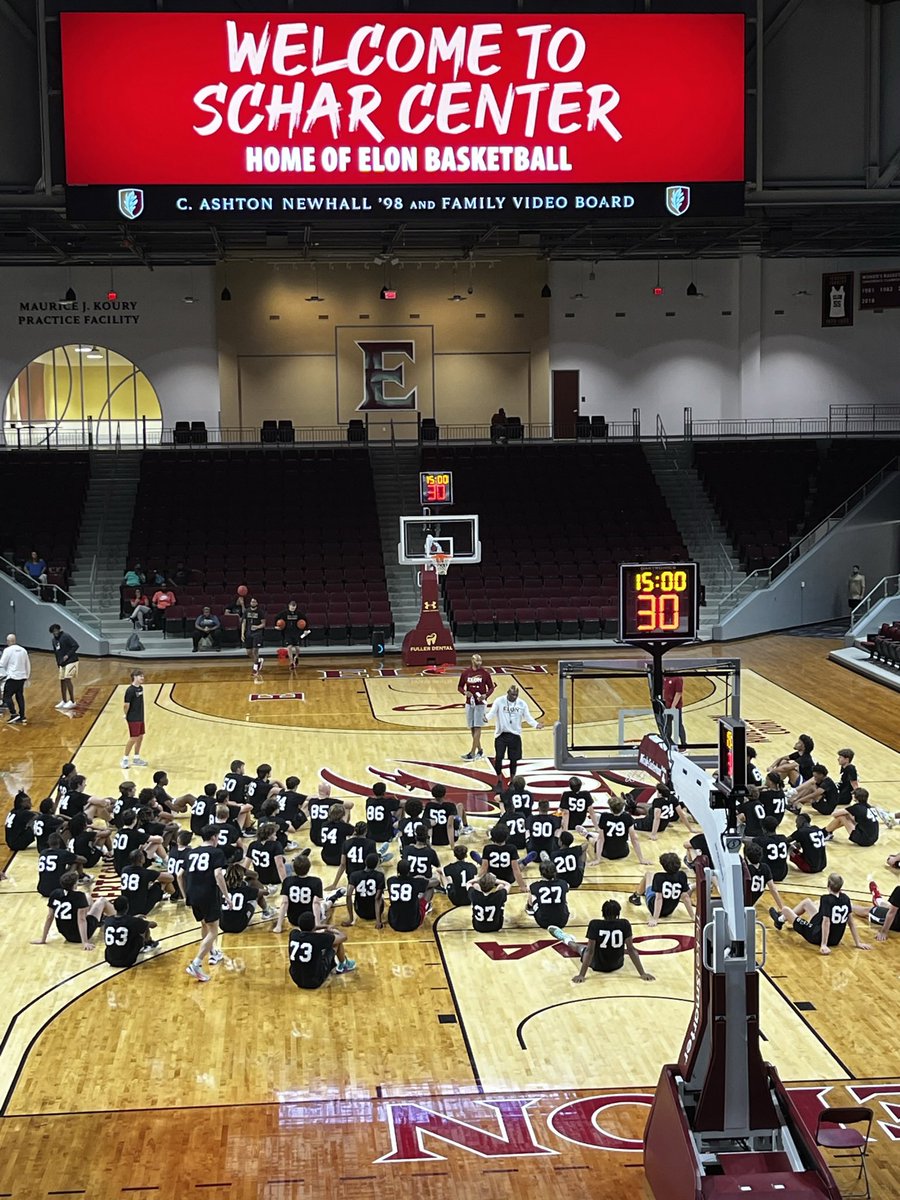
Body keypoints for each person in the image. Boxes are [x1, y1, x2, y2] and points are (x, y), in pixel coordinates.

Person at [551, 899, 656, 983]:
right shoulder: (625, 924)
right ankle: (567, 939)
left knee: (580, 947)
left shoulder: (595, 924)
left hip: (597, 964)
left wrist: (581, 975)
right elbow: (631, 950)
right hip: (617, 964)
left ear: (602, 913)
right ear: (618, 913)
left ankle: (566, 938)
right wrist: (642, 973)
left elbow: (590, 951)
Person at [770, 873, 870, 955]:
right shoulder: (846, 899)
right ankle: (780, 921)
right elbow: (851, 922)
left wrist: (823, 944)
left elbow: (826, 922)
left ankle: (779, 920)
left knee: (786, 910)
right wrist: (858, 942)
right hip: (836, 939)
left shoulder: (826, 899)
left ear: (828, 886)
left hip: (817, 936)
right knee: (807, 902)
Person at [184, 826, 231, 982]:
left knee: (204, 924)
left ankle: (213, 953)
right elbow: (218, 874)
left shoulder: (191, 853)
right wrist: (226, 896)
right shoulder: (216, 852)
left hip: (192, 893)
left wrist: (185, 895)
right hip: (208, 894)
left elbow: (180, 874)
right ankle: (196, 963)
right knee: (213, 930)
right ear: (213, 837)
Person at [32, 871, 114, 951]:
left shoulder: (55, 893)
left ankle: (100, 919)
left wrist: (43, 939)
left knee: (88, 897)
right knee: (102, 900)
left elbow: (49, 917)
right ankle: (118, 920)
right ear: (74, 884)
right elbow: (81, 920)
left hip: (66, 933)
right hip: (79, 935)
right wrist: (85, 942)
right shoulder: (79, 896)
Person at [485, 684, 543, 785]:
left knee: (513, 759)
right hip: (501, 735)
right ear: (508, 693)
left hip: (515, 735)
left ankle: (512, 781)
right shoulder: (499, 701)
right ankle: (499, 780)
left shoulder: (522, 704)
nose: (514, 697)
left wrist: (536, 724)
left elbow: (528, 717)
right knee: (499, 757)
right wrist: (486, 718)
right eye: (512, 695)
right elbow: (492, 713)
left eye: (516, 695)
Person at [288, 911, 355, 988]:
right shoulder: (318, 938)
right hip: (315, 981)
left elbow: (307, 929)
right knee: (336, 943)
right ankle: (344, 965)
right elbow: (343, 937)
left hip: (297, 979)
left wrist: (325, 926)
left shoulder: (293, 934)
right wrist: (332, 929)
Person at [630, 852, 694, 927]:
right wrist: (693, 916)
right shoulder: (682, 875)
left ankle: (636, 896)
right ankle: (641, 893)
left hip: (653, 907)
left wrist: (655, 918)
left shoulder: (659, 877)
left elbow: (659, 899)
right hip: (670, 910)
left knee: (648, 874)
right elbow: (685, 897)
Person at [457, 653, 495, 760]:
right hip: (470, 703)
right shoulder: (466, 673)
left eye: (480, 661)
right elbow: (459, 687)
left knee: (478, 727)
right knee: (472, 727)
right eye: (477, 660)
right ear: (472, 661)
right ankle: (480, 750)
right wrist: (465, 692)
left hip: (480, 704)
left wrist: (485, 695)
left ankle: (472, 753)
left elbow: (491, 688)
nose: (479, 662)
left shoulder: (485, 674)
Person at [591, 795, 649, 865]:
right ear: (623, 807)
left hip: (607, 853)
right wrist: (641, 859)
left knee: (594, 840)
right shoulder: (627, 817)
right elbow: (634, 839)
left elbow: (601, 840)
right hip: (623, 852)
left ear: (610, 808)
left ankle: (587, 835)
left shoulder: (604, 817)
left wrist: (597, 859)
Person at [103, 895, 158, 967]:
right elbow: (154, 925)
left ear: (114, 907)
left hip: (110, 959)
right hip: (127, 960)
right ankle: (147, 943)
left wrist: (134, 919)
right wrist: (141, 921)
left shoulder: (108, 920)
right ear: (127, 906)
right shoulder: (133, 921)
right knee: (143, 926)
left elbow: (121, 922)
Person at [386, 860, 436, 932]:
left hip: (394, 923)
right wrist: (424, 879)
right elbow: (436, 882)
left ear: (397, 870)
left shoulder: (390, 881)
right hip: (413, 924)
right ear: (409, 870)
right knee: (430, 888)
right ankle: (425, 906)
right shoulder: (415, 882)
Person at [344, 852, 386, 928]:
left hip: (359, 911)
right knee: (381, 896)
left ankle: (351, 919)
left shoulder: (354, 875)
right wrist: (378, 921)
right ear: (377, 864)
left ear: (365, 862)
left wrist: (350, 919)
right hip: (374, 913)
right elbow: (377, 899)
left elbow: (348, 895)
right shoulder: (380, 876)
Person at [526, 862, 570, 929]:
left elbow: (531, 896)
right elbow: (567, 887)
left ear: (541, 873)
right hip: (562, 921)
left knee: (532, 894)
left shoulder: (534, 886)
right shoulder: (563, 883)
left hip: (543, 922)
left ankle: (530, 909)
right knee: (564, 901)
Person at [0, 633, 30, 724]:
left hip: (12, 677)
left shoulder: (7, 650)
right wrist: (27, 676)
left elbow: (2, 663)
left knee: (6, 697)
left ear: (8, 641)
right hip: (22, 677)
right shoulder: (23, 650)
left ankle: (13, 714)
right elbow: (27, 664)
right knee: (19, 696)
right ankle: (22, 716)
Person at [122, 670, 148, 769]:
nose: (142, 678)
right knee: (134, 737)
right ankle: (125, 759)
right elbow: (126, 705)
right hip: (133, 717)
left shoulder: (140, 688)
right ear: (135, 677)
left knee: (140, 736)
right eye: (140, 676)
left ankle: (136, 758)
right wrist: (126, 715)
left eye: (143, 676)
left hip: (140, 716)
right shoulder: (130, 690)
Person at [49, 624, 79, 710]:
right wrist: (58, 663)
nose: (55, 633)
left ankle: (72, 701)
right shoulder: (54, 640)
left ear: (59, 630)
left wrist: (67, 655)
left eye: (56, 630)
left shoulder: (66, 636)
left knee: (67, 678)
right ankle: (64, 700)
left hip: (71, 660)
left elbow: (75, 645)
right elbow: (56, 652)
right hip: (62, 663)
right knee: (62, 680)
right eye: (53, 632)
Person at [275, 600, 309, 669]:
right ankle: (291, 662)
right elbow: (277, 617)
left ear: (296, 607)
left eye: (294, 607)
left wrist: (305, 629)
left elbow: (305, 620)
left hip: (296, 632)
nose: (293, 608)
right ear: (289, 606)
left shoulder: (299, 613)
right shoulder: (284, 613)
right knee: (289, 647)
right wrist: (277, 626)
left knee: (297, 648)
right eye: (291, 607)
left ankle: (296, 657)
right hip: (287, 632)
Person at [242, 597, 266, 675]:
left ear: (257, 603)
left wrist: (257, 627)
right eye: (252, 602)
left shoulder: (260, 612)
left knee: (255, 651)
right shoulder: (246, 611)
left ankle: (255, 669)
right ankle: (259, 661)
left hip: (257, 633)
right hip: (248, 633)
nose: (253, 603)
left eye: (254, 602)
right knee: (249, 652)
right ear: (250, 603)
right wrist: (242, 633)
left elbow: (263, 624)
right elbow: (244, 622)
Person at [662, 673, 685, 744]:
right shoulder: (665, 677)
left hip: (675, 707)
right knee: (667, 724)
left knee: (678, 725)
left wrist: (673, 706)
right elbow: (663, 689)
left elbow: (678, 693)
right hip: (666, 706)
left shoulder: (678, 679)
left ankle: (683, 744)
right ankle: (668, 741)